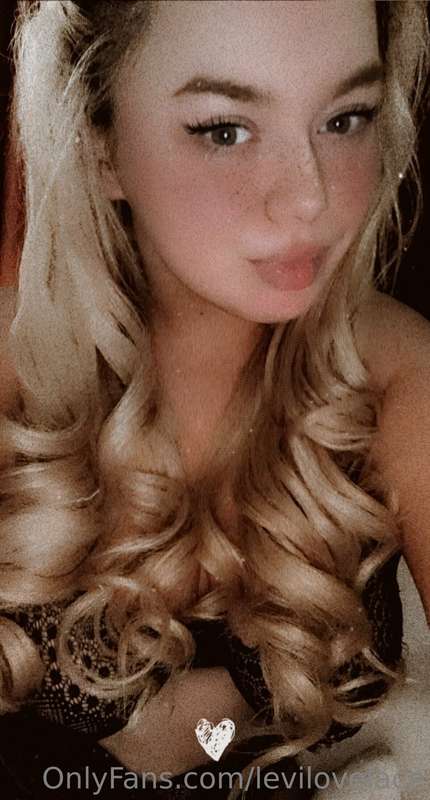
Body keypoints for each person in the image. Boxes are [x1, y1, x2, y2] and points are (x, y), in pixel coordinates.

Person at [0, 1, 429, 798]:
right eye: (225, 130)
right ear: (100, 143)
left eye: (345, 118)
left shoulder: (399, 372)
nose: (309, 198)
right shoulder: (13, 366)